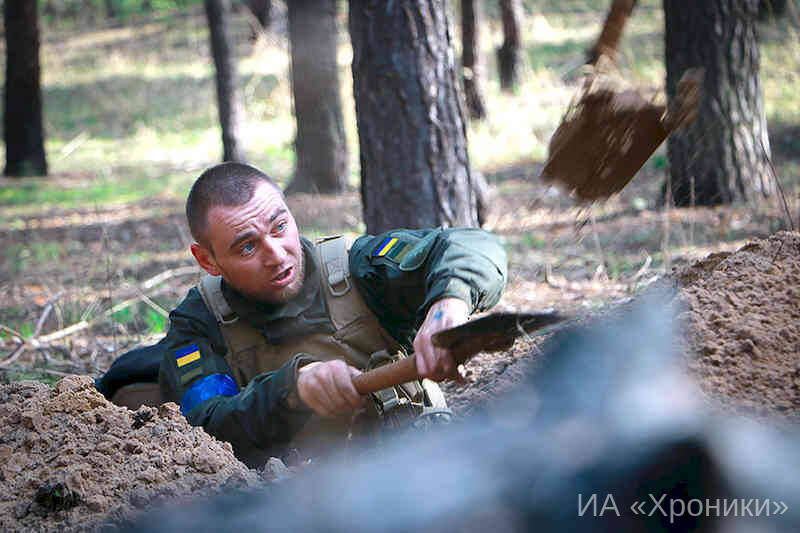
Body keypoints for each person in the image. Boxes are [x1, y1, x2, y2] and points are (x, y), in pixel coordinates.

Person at [98, 162, 507, 467]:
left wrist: (449, 303)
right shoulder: (197, 324)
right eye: (246, 247)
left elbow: (472, 246)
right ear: (207, 260)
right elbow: (206, 422)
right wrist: (292, 389)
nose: (277, 256)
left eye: (279, 227)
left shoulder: (359, 269)